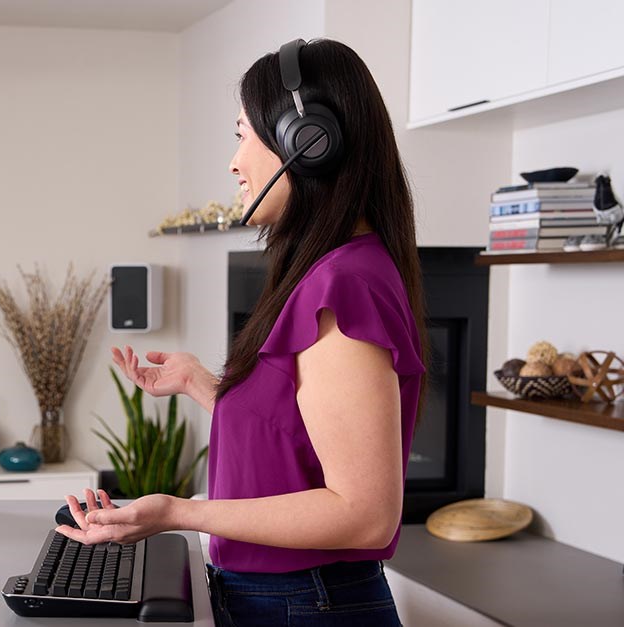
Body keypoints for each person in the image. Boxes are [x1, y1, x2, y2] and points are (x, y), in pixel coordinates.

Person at [56, 39, 426, 627]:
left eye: (242, 135)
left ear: (308, 144)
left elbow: (363, 514)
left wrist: (180, 513)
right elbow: (298, 437)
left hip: (307, 605)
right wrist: (203, 384)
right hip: (287, 600)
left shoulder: (344, 287)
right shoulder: (327, 273)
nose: (234, 162)